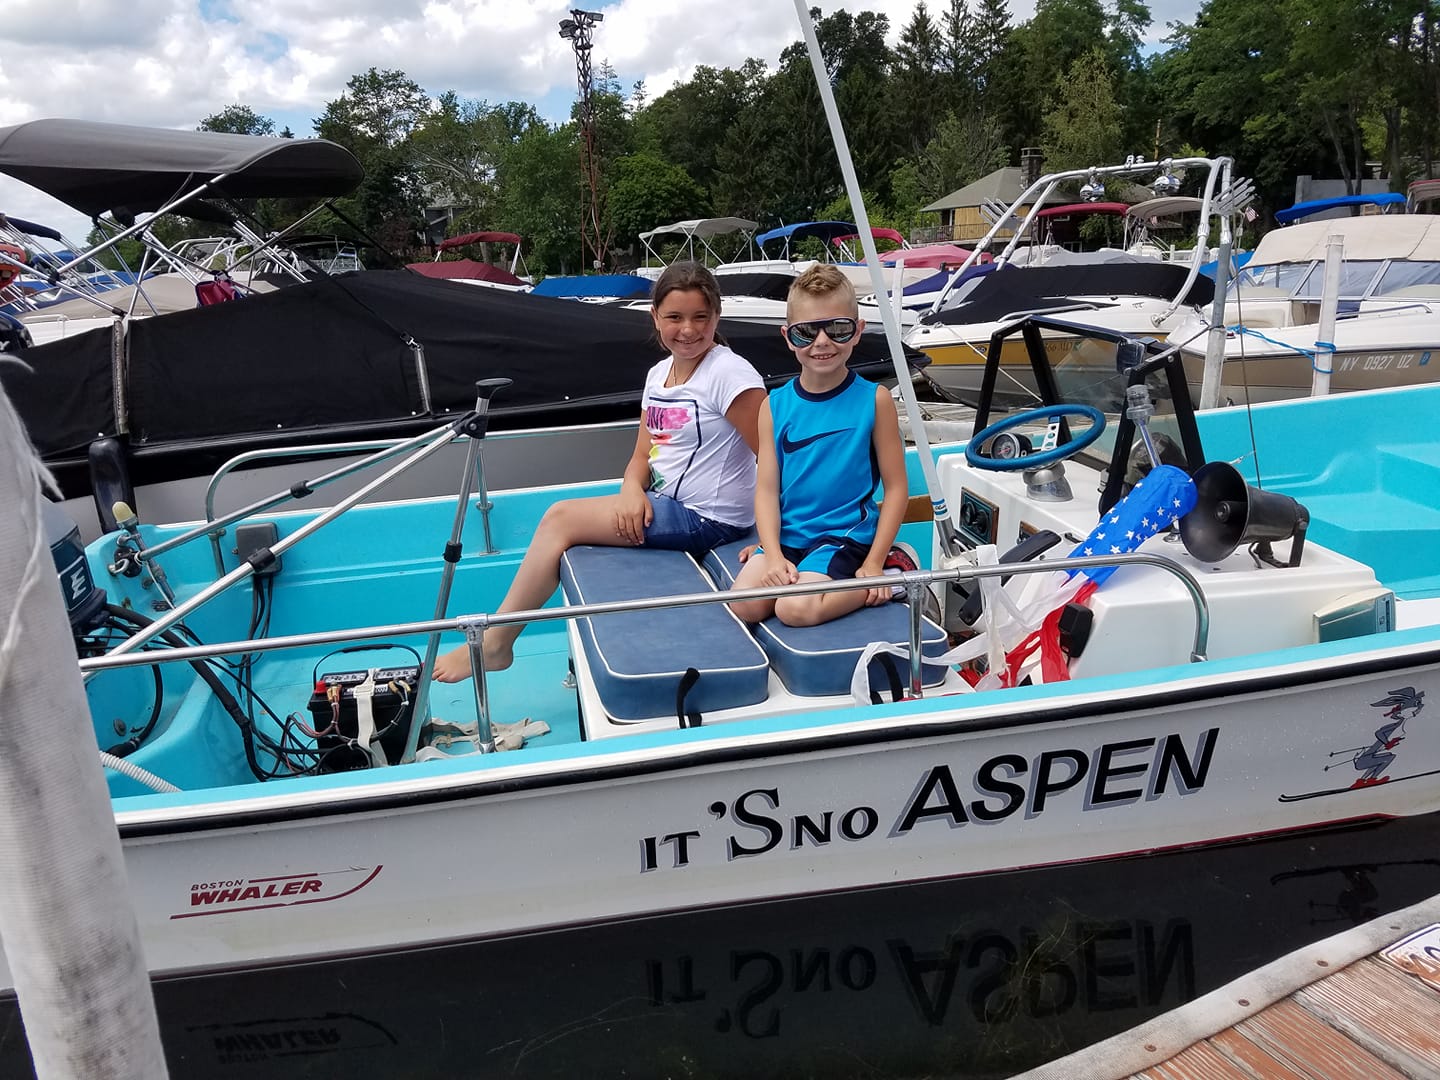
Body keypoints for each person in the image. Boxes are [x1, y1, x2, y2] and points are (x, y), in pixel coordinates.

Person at [433, 261, 765, 681]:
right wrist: (631, 490)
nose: (688, 329)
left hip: (710, 518)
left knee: (560, 519)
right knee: (563, 518)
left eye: (701, 317)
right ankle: (499, 640)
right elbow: (643, 453)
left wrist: (772, 541)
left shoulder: (729, 374)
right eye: (675, 317)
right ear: (655, 317)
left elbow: (774, 456)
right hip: (664, 502)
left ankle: (497, 643)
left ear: (717, 316)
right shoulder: (659, 375)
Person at [727, 264, 908, 628]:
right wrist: (772, 553)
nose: (822, 342)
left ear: (857, 331)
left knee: (793, 609)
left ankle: (893, 571)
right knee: (743, 605)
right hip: (790, 536)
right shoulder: (774, 406)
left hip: (842, 536)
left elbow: (896, 488)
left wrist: (873, 564)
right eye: (806, 332)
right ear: (788, 336)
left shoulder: (875, 400)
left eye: (837, 329)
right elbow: (766, 491)